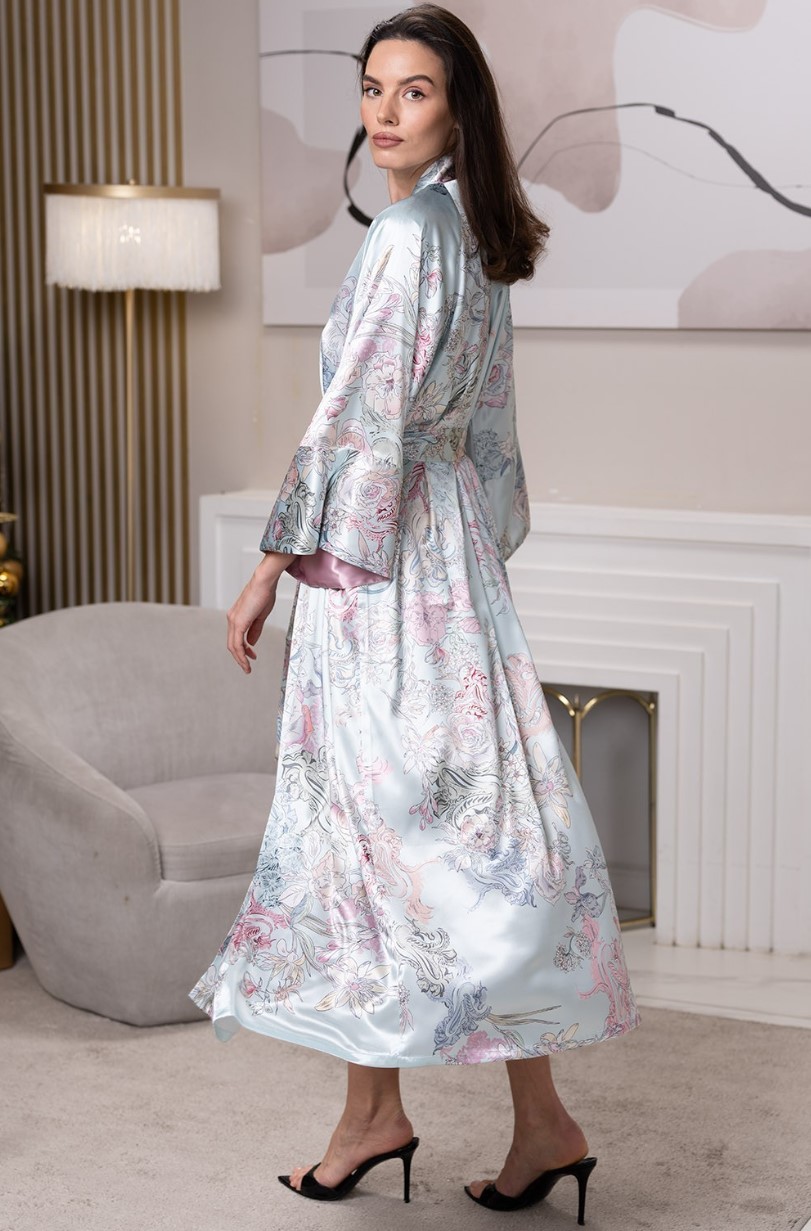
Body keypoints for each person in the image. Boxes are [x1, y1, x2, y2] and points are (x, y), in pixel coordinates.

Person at [190, 3, 641, 1218]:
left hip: (379, 561)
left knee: (374, 824)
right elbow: (489, 431)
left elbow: (352, 417)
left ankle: (387, 1115)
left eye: (415, 91)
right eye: (372, 88)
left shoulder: (404, 236)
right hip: (448, 558)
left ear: (457, 109)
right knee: (466, 825)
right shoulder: (472, 235)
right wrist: (472, 564)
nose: (384, 113)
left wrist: (271, 565)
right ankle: (524, 1121)